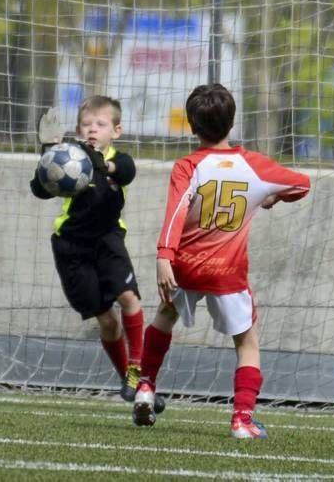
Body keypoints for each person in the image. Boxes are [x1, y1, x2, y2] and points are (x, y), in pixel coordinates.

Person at [132, 83, 310, 438]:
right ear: (232, 123)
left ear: (192, 126)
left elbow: (176, 213)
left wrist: (164, 256)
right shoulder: (255, 166)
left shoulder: (188, 166)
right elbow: (302, 184)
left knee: (165, 316)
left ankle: (146, 387)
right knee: (247, 342)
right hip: (227, 272)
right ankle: (242, 419)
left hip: (185, 266)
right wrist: (273, 198)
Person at [30, 95, 146, 403]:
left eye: (100, 124)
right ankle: (130, 383)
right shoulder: (69, 157)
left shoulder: (117, 159)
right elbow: (39, 189)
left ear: (116, 130)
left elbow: (125, 170)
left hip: (108, 239)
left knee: (129, 298)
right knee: (107, 321)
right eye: (86, 124)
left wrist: (102, 164)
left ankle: (137, 370)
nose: (92, 129)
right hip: (71, 246)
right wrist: (47, 154)